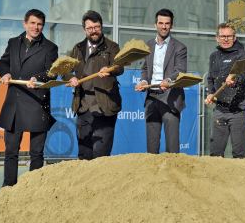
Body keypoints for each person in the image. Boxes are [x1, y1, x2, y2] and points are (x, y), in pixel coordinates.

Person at [0, 9, 58, 186]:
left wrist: (38, 79)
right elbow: (3, 62)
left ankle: (33, 190)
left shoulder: (50, 47)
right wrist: (5, 73)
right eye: (32, 23)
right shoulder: (13, 42)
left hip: (37, 103)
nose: (36, 27)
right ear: (25, 24)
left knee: (37, 153)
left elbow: (52, 72)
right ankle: (8, 188)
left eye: (39, 24)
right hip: (14, 104)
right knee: (11, 151)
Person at [67, 10, 123, 160]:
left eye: (96, 27)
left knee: (101, 156)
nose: (93, 31)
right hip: (83, 108)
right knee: (84, 155)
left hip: (105, 107)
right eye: (89, 28)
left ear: (101, 26)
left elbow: (120, 67)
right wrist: (70, 77)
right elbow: (65, 68)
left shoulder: (112, 47)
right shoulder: (77, 48)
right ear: (84, 29)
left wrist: (110, 70)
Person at [135, 9, 187, 154]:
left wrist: (169, 80)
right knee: (152, 147)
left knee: (172, 148)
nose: (164, 26)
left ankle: (173, 175)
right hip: (151, 97)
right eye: (161, 23)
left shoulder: (179, 47)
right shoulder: (148, 45)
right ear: (155, 24)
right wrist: (144, 81)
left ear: (171, 25)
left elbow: (180, 70)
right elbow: (145, 68)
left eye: (167, 23)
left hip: (170, 98)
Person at [205, 23, 245, 158]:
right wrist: (210, 93)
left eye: (229, 36)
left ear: (234, 37)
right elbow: (210, 78)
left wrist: (235, 79)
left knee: (238, 154)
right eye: (223, 36)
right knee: (215, 154)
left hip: (239, 110)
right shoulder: (214, 56)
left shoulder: (243, 54)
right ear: (217, 38)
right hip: (220, 110)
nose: (226, 39)